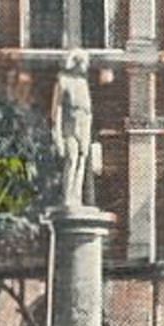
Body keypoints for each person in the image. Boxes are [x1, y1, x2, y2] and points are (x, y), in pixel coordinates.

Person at [51, 48, 95, 208]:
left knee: (82, 160)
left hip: (83, 126)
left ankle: (77, 197)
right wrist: (57, 134)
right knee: (71, 158)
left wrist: (88, 134)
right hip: (69, 127)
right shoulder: (63, 81)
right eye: (83, 62)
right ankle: (68, 196)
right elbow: (57, 110)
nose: (85, 66)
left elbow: (88, 112)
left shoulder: (83, 83)